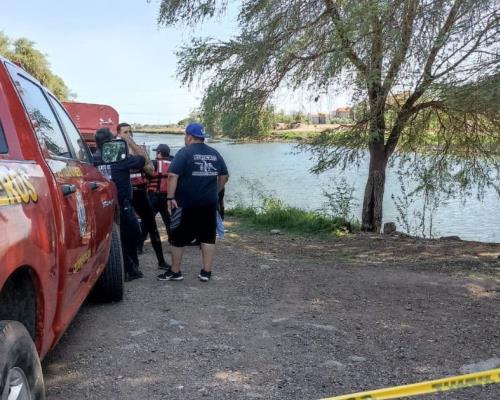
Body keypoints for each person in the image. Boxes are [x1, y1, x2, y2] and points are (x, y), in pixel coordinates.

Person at [157, 122, 229, 282]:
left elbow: (172, 176)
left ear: (189, 136)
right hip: (209, 203)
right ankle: (206, 272)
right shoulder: (214, 153)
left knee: (177, 238)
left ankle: (175, 272)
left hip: (186, 203)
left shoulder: (184, 153)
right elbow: (224, 176)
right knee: (208, 237)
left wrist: (170, 197)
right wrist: (214, 192)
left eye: (185, 135)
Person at [115, 123, 171, 271]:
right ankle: (130, 264)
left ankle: (161, 261)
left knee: (152, 226)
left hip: (140, 192)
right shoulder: (114, 150)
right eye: (125, 132)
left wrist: (131, 143)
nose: (128, 134)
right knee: (125, 229)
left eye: (130, 132)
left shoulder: (138, 149)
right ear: (118, 134)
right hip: (124, 193)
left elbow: (151, 170)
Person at [93, 128, 145, 282]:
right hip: (121, 204)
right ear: (111, 141)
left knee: (121, 236)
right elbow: (142, 159)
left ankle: (130, 267)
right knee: (131, 234)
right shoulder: (119, 157)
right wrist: (129, 141)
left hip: (102, 205)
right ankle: (128, 268)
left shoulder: (93, 158)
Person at [146, 144, 173, 234]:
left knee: (148, 219)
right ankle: (172, 239)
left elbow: (147, 175)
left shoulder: (154, 164)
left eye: (157, 152)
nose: (155, 154)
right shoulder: (174, 164)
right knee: (168, 220)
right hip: (168, 197)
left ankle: (140, 242)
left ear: (159, 153)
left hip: (154, 196)